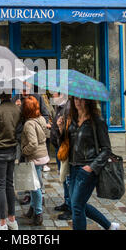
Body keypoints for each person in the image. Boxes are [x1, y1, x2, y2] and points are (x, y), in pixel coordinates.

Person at [57, 97, 119, 230]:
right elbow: (65, 143)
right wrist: (61, 128)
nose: (78, 102)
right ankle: (109, 226)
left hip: (87, 169)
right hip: (73, 167)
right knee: (77, 204)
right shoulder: (72, 120)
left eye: (81, 99)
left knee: (77, 207)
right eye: (75, 99)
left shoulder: (97, 121)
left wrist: (91, 167)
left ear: (88, 101)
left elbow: (106, 150)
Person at [13, 83, 51, 205]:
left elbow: (45, 115)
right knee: (25, 167)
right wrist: (17, 108)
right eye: (22, 88)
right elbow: (14, 120)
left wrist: (36, 126)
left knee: (36, 168)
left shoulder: (38, 97)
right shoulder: (15, 100)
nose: (24, 91)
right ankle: (28, 193)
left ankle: (40, 193)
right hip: (21, 139)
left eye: (26, 88)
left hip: (35, 140)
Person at [0, 92, 21, 230]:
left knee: (0, 186)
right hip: (12, 150)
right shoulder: (17, 109)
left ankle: (2, 222)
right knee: (9, 184)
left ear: (0, 95)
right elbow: (19, 129)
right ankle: (12, 219)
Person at [20, 96, 49, 226]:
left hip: (35, 157)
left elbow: (33, 143)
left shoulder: (29, 124)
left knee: (35, 187)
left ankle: (38, 213)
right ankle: (32, 209)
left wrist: (23, 151)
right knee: (33, 184)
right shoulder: (41, 118)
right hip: (42, 155)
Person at [50, 92, 72, 220]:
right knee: (63, 177)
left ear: (62, 95)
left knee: (67, 178)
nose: (53, 96)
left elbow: (67, 130)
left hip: (64, 148)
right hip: (59, 147)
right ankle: (66, 202)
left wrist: (59, 128)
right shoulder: (59, 107)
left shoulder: (67, 109)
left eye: (55, 94)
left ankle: (70, 207)